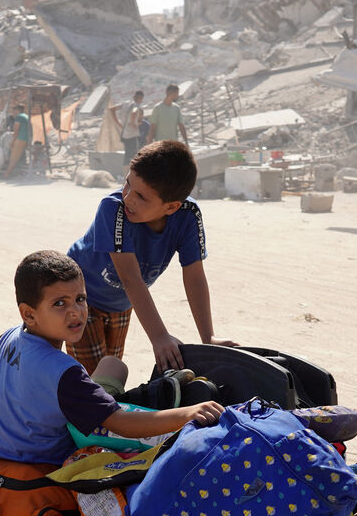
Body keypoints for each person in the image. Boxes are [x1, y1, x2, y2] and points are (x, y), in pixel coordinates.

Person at [0, 250, 224, 465]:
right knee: (140, 448)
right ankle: (160, 400)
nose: (76, 312)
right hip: (46, 469)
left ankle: (122, 399)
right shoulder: (64, 372)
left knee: (112, 364)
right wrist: (187, 414)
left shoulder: (8, 339)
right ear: (29, 314)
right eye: (60, 303)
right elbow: (122, 424)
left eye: (80, 298)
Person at [66, 140, 236, 374]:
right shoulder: (113, 209)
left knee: (110, 370)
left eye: (141, 197)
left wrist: (209, 338)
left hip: (122, 303)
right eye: (127, 184)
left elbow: (195, 277)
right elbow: (130, 278)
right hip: (80, 298)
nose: (128, 198)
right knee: (93, 382)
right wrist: (159, 337)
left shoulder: (188, 215)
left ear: (171, 207)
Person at [1, 103, 31, 178]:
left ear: (17, 110)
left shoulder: (19, 117)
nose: (13, 113)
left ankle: (6, 175)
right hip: (27, 138)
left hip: (21, 138)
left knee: (13, 158)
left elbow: (16, 130)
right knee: (18, 156)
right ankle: (15, 173)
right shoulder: (26, 116)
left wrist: (13, 141)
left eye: (14, 111)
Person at [117, 90, 145, 166]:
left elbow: (111, 109)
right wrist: (133, 124)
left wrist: (117, 123)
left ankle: (126, 174)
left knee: (127, 155)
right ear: (141, 98)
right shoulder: (136, 106)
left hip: (124, 134)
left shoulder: (126, 104)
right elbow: (134, 112)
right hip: (131, 134)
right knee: (132, 155)